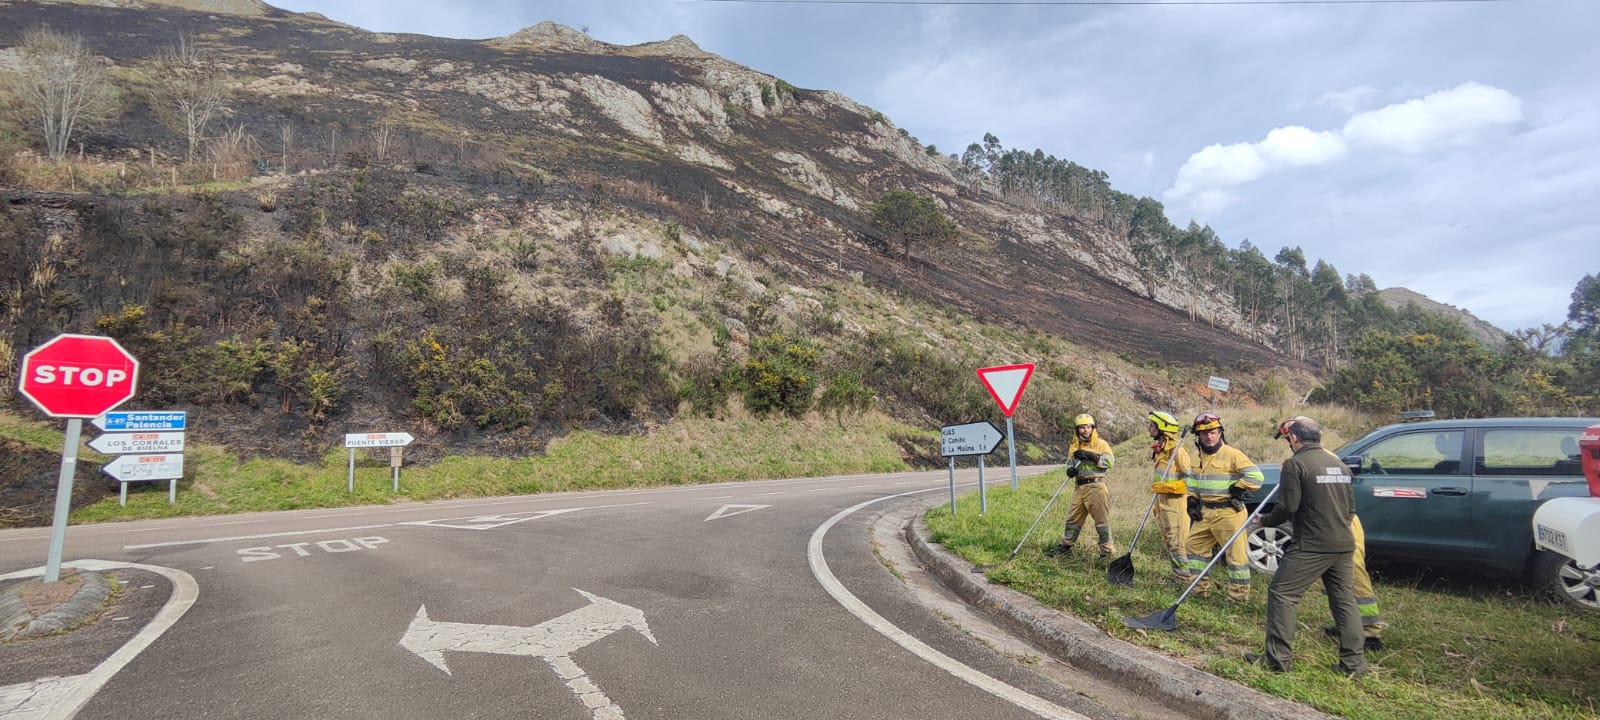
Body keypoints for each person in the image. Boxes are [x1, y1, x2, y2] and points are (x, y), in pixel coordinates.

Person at [1246, 416, 1367, 679]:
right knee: (1344, 601)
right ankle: (1353, 666)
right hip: (1344, 544)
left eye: (1289, 439)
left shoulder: (1295, 464)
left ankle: (1277, 660)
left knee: (1282, 593)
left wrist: (1263, 520)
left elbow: (1288, 507)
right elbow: (1351, 510)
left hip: (1312, 544)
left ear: (1294, 438)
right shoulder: (1339, 465)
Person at [1182, 411, 1264, 601]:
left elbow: (1256, 477)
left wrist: (1239, 487)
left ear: (1220, 432)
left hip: (1228, 513)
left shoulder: (1232, 454)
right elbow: (1193, 481)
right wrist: (1191, 500)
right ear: (1198, 436)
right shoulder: (1197, 457)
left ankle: (1237, 598)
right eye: (1204, 433)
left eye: (1213, 432)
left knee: (1235, 557)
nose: (1209, 436)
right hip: (1205, 513)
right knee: (1193, 546)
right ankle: (1199, 591)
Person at [1046, 413, 1116, 561]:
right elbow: (1070, 463)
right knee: (1073, 519)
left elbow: (1110, 462)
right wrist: (1070, 470)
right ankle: (1065, 547)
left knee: (1101, 521)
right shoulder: (1074, 446)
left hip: (1096, 486)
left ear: (1093, 428)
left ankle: (1106, 552)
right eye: (1082, 428)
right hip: (1079, 487)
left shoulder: (1101, 444)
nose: (1085, 430)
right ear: (1077, 430)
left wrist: (1092, 456)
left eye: (1088, 427)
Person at [1321, 514, 1386, 651]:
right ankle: (1347, 625)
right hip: (1324, 520)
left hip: (1341, 519)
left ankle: (1370, 633)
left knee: (1353, 573)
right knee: (1331, 575)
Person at [1146, 410, 1193, 584]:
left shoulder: (1178, 451)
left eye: (1152, 425)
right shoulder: (1162, 450)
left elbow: (1192, 480)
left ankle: (1185, 579)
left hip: (1176, 504)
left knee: (1177, 542)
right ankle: (1178, 575)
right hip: (1162, 502)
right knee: (1168, 540)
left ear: (1162, 428)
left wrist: (1169, 487)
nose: (1149, 428)